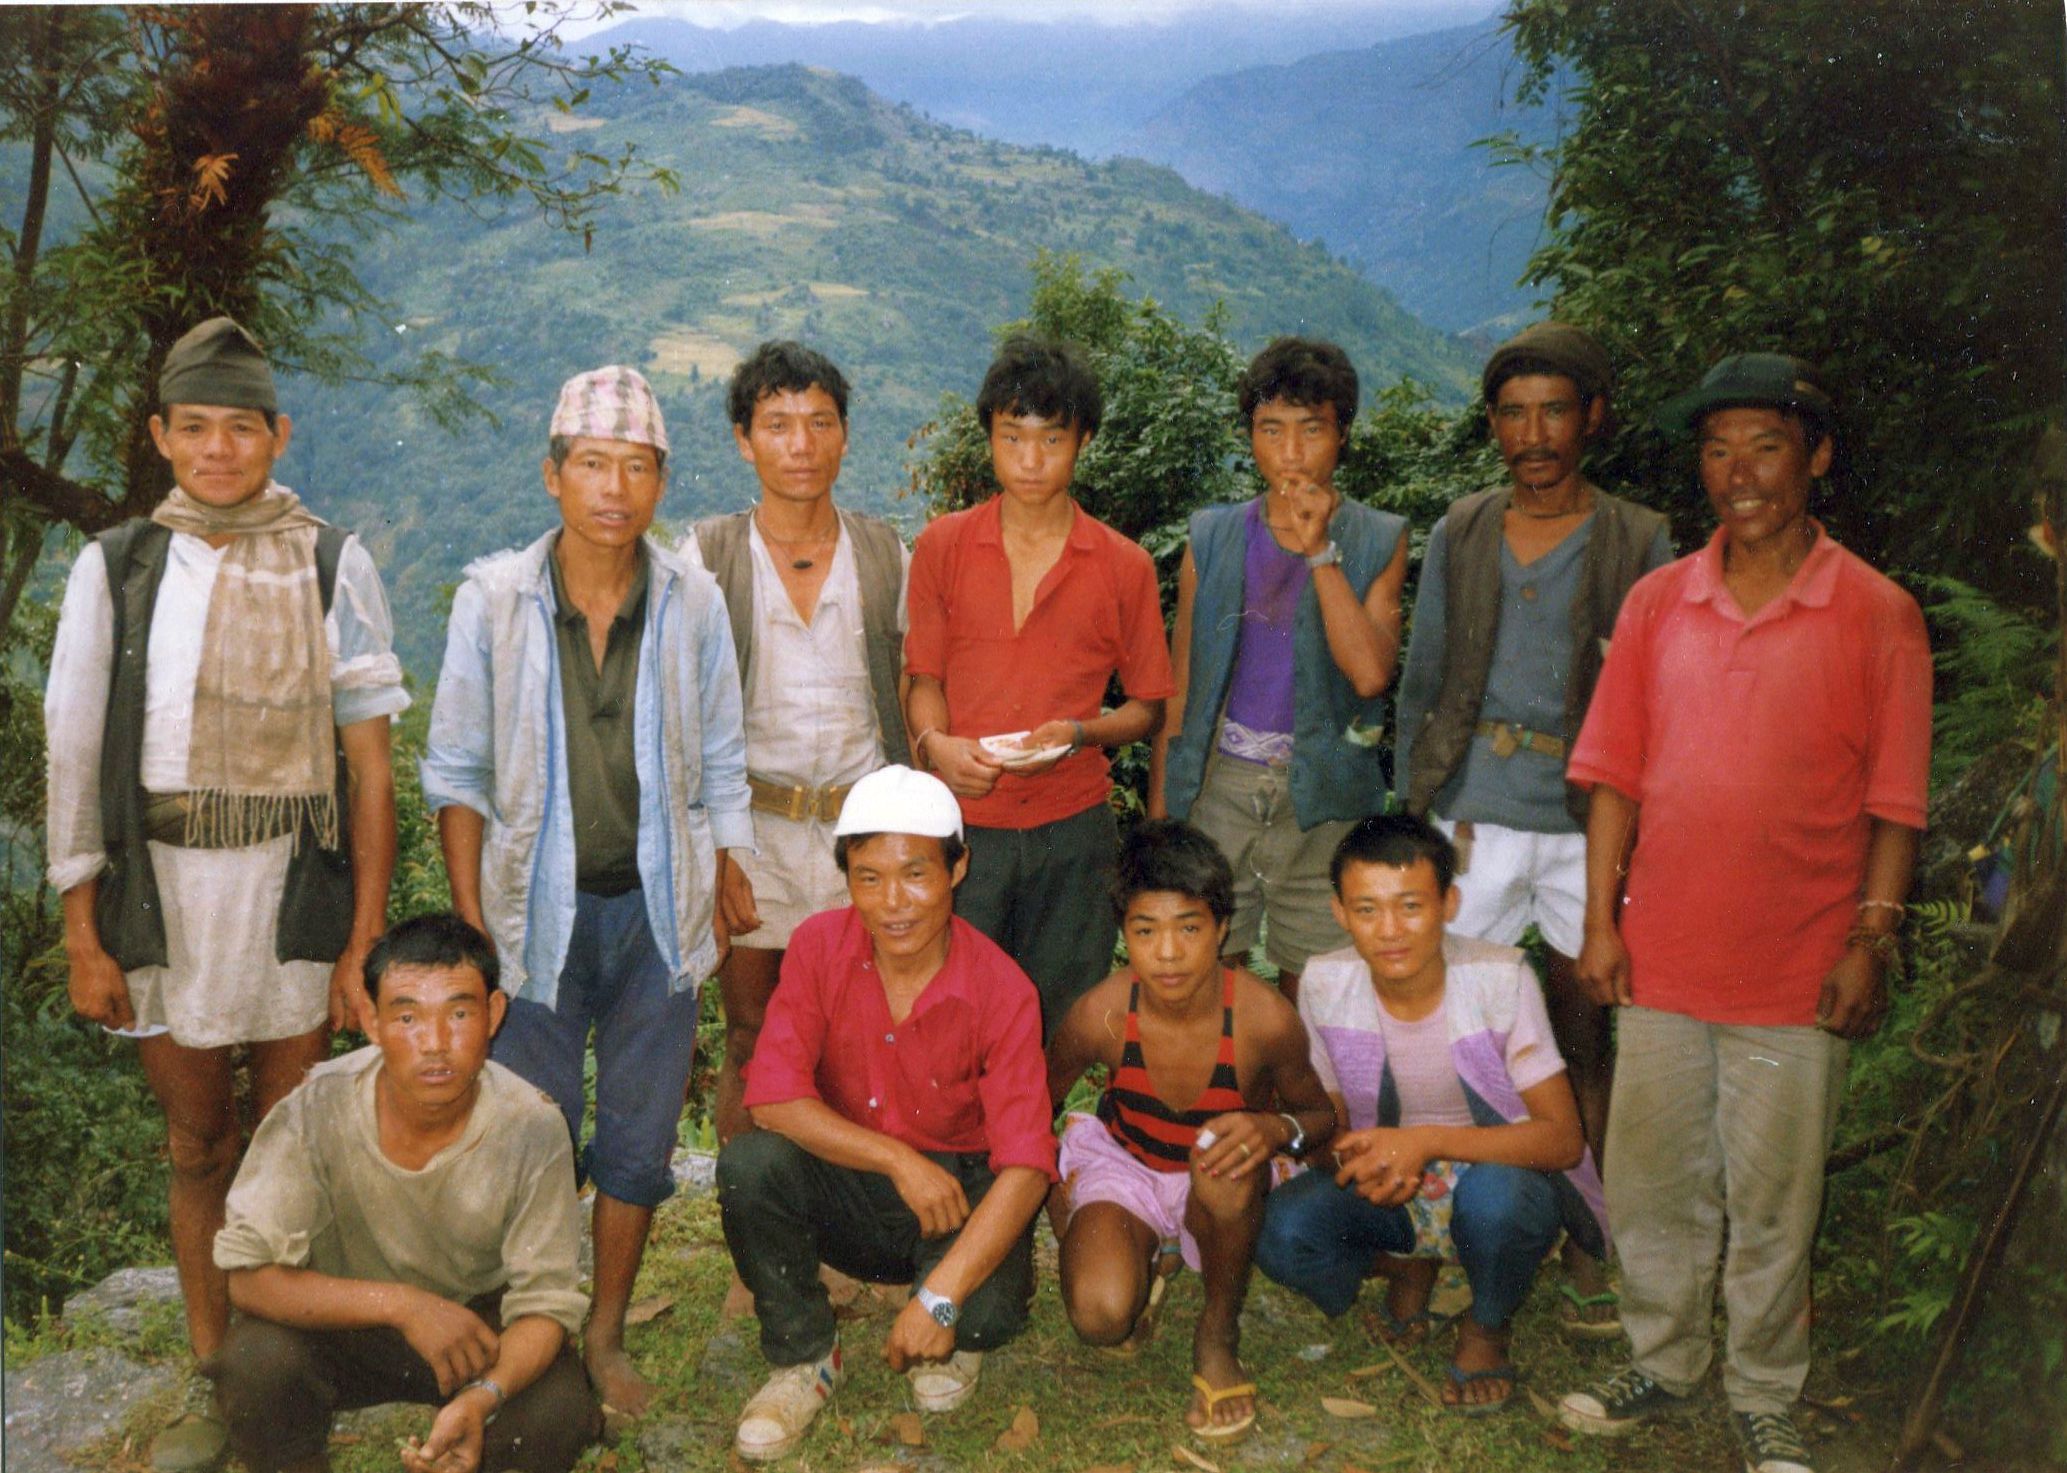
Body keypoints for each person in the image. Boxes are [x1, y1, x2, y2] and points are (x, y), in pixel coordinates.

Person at [1555, 354, 1931, 1473]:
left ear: (1815, 456)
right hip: (1664, 954)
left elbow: (1895, 806)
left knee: (1775, 1201)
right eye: (1718, 450)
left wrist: (1870, 939)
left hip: (1797, 965)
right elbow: (1615, 773)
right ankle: (1665, 1362)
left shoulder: (1877, 612)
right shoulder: (1660, 600)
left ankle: (1766, 1392)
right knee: (1659, 1182)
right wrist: (1601, 922)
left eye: (1765, 445)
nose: (1739, 474)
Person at [43, 316, 406, 1471]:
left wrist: (364, 944)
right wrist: (84, 933)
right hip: (164, 903)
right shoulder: (120, 567)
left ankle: (284, 1365)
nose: (215, 449)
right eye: (191, 427)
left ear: (276, 434)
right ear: (159, 437)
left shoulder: (327, 561)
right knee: (200, 1140)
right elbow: (71, 752)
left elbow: (368, 770)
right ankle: (215, 1371)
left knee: (292, 1141)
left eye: (237, 428)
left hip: (292, 897)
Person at [421, 365, 751, 1417]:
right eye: (594, 464)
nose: (616, 487)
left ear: (661, 483)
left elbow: (723, 761)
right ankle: (533, 1323)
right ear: (554, 474)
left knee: (641, 1137)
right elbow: (458, 775)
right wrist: (475, 926)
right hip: (533, 916)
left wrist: (726, 876)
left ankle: (602, 1333)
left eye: (639, 467)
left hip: (658, 914)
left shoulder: (690, 598)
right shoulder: (494, 603)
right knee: (537, 1125)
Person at [1393, 322, 1670, 1336]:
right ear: (1493, 427)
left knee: (1585, 1029)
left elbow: (1656, 694)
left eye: (1555, 410)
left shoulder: (1638, 539)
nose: (1535, 433)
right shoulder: (1465, 528)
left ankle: (1596, 1238)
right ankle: (1459, 1232)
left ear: (1592, 418)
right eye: (1513, 413)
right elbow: (1425, 677)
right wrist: (1415, 803)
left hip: (1586, 817)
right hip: (1472, 814)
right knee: (1451, 1029)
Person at [716, 765, 1055, 1463]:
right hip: (853, 1175)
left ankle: (944, 1313)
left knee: (982, 1317)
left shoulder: (1001, 988)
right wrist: (895, 1158)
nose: (891, 902)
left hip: (956, 1191)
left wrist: (941, 1297)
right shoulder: (817, 946)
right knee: (749, 1162)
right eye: (868, 877)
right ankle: (805, 1356)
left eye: (914, 873)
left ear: (957, 868)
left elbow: (1025, 1166)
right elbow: (772, 1097)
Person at [211, 915, 598, 1473]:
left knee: (557, 1409)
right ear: (371, 1019)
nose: (436, 1044)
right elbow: (247, 1277)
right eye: (408, 1016)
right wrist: (402, 1306)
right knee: (253, 1362)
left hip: (474, 1330)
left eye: (459, 1013)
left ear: (493, 1015)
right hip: (351, 1320)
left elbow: (545, 1307)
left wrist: (482, 1395)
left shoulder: (532, 1125)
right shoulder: (318, 1106)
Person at [1254, 815, 1609, 1416]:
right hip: (1390, 1172)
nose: (1389, 931)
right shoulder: (1323, 981)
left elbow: (1562, 1141)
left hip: (1496, 1172)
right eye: (1366, 910)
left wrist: (1423, 1142)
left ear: (1449, 903)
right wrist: (1353, 1156)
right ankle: (1407, 1267)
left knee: (1501, 1205)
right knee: (1281, 1234)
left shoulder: (1501, 977)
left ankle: (1488, 1323)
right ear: (1339, 913)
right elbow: (1325, 1118)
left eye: (1410, 906)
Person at [904, 335, 1175, 1033]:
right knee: (952, 1012)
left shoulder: (1122, 565)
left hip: (1072, 828)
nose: (1030, 460)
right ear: (989, 437)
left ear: (1082, 439)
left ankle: (1030, 1141)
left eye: (1050, 438)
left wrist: (1080, 732)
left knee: (1060, 1015)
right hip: (963, 825)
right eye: (1012, 437)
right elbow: (923, 676)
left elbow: (1147, 705)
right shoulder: (944, 545)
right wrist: (937, 744)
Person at [681, 340, 910, 1149]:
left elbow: (911, 689)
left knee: (863, 1039)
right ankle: (756, 1248)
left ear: (845, 435)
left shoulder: (883, 554)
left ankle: (847, 1233)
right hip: (754, 835)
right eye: (777, 424)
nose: (800, 444)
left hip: (864, 837)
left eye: (819, 422)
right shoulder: (706, 558)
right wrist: (714, 851)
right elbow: (679, 721)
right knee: (752, 1038)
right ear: (744, 439)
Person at [1047, 820, 1337, 1443]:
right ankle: (1149, 1250)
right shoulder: (1102, 1012)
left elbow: (1319, 1120)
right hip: (1130, 1168)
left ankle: (1217, 1330)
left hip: (1220, 1187)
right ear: (1124, 936)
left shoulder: (1262, 1018)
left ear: (1223, 928)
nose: (1169, 953)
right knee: (1100, 1317)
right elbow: (1031, 1109)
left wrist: (1271, 1126)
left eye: (1189, 928)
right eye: (1146, 932)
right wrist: (1057, 1197)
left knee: (1221, 1160)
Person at [1152, 337, 1408, 1005]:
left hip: (1321, 794)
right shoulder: (1210, 537)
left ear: (1342, 434)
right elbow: (1177, 691)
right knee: (1213, 978)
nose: (1290, 452)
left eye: (1310, 429)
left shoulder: (1378, 536)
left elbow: (1369, 674)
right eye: (1270, 430)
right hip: (1220, 786)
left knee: (1316, 986)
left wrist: (1319, 551)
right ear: (1250, 437)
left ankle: (1295, 1113)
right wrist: (1161, 820)